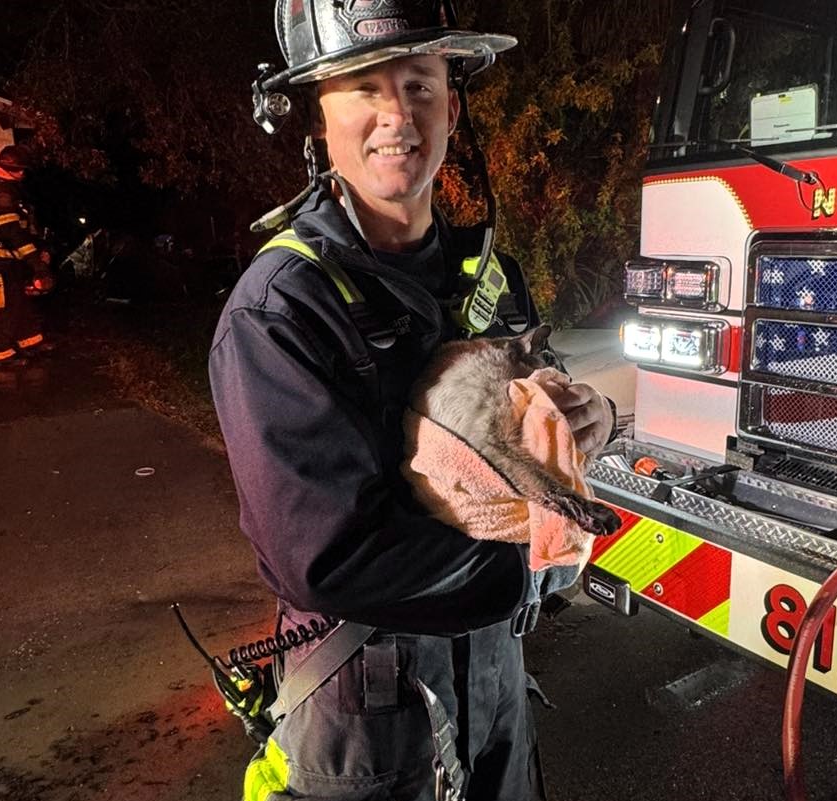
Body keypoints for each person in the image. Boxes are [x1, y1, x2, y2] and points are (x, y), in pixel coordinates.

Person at [209, 2, 615, 800]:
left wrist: (584, 415)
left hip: (497, 680)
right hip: (363, 709)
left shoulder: (486, 275)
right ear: (319, 117)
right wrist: (534, 561)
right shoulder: (281, 309)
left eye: (419, 84)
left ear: (452, 105)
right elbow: (332, 559)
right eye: (362, 87)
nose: (397, 114)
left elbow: (535, 408)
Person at [0, 144, 54, 364]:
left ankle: (29, 340)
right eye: (18, 169)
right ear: (5, 167)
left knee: (19, 301)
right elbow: (12, 232)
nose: (22, 173)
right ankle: (1, 354)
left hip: (11, 260)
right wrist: (37, 263)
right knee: (1, 309)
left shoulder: (5, 186)